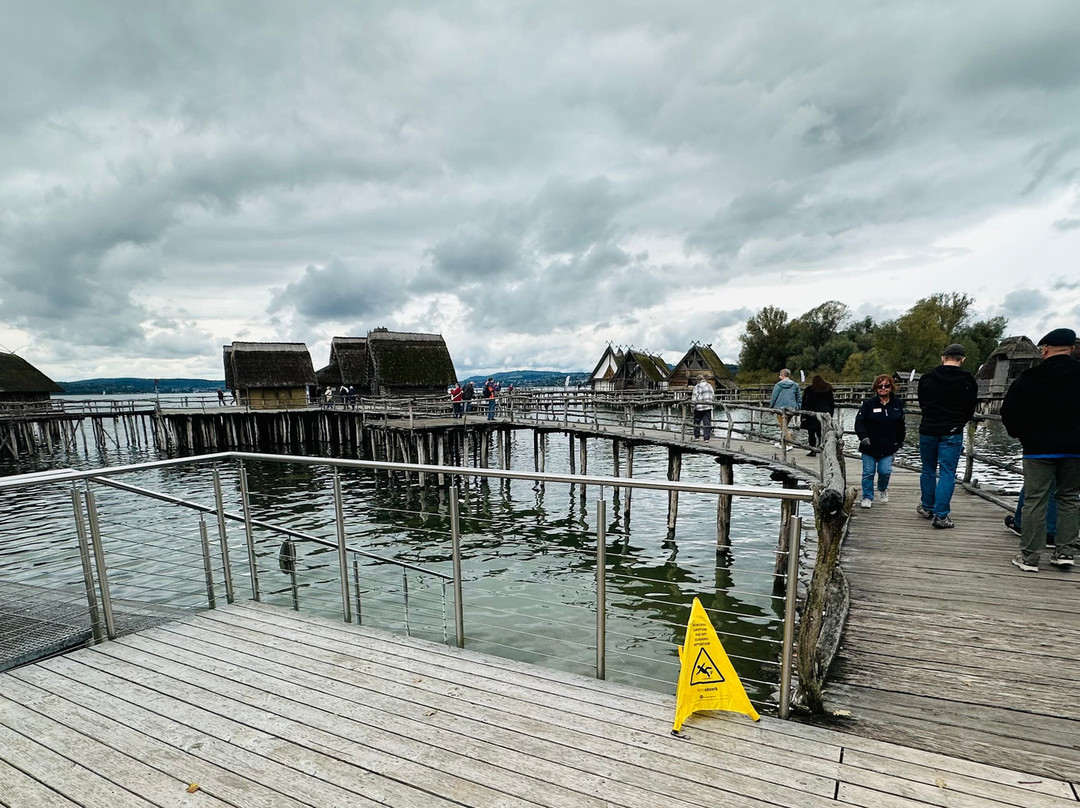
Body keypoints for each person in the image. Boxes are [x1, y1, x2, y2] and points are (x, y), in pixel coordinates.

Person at [1000, 327, 1080, 572]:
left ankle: (1030, 557)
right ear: (1072, 349)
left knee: (1035, 501)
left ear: (1045, 349)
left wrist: (1021, 434)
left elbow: (1009, 412)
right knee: (1069, 499)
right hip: (1075, 449)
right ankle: (1065, 552)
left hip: (1039, 449)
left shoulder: (1030, 377)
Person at [916, 343, 978, 529]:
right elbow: (970, 408)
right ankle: (941, 515)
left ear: (943, 358)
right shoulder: (968, 380)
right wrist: (959, 422)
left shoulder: (927, 378)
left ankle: (927, 507)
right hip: (951, 431)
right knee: (947, 472)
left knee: (927, 469)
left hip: (928, 428)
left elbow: (922, 403)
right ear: (962, 359)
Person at [854, 374, 906, 509]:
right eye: (880, 386)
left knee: (885, 471)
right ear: (876, 388)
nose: (883, 388)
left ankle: (882, 489)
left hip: (888, 446)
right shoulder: (868, 404)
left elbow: (901, 425)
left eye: (886, 386)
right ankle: (867, 496)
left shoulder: (897, 404)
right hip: (870, 445)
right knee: (868, 473)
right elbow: (859, 422)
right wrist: (863, 437)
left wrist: (900, 441)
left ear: (891, 387)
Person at [801, 375, 835, 456]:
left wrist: (803, 415)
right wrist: (831, 413)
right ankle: (823, 448)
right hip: (825, 414)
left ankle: (813, 449)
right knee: (823, 433)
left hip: (812, 414)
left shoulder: (809, 390)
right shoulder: (827, 390)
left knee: (811, 433)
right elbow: (831, 403)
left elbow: (805, 403)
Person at [770, 368, 802, 446]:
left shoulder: (778, 385)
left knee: (783, 427)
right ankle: (782, 443)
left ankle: (789, 444)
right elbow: (799, 397)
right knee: (785, 426)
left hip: (780, 409)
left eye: (780, 375)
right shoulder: (795, 385)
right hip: (792, 408)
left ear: (783, 375)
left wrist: (771, 407)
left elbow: (774, 397)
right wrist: (798, 407)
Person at [690, 376, 715, 440]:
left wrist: (692, 406)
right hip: (708, 406)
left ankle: (697, 437)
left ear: (697, 381)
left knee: (697, 421)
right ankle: (706, 438)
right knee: (707, 422)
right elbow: (713, 395)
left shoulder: (697, 387)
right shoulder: (709, 385)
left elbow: (694, 398)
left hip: (700, 407)